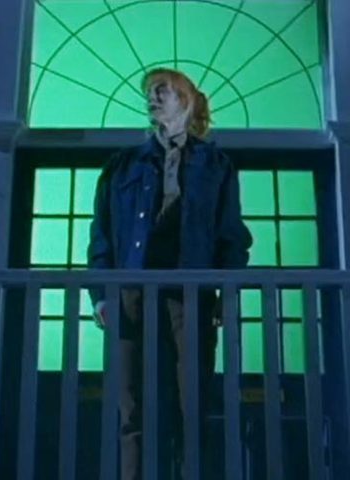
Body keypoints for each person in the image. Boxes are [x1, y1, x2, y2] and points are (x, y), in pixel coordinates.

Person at [87, 68, 252, 480]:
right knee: (133, 407)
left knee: (190, 405)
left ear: (186, 99)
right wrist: (101, 295)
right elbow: (102, 235)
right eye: (149, 91)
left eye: (163, 90)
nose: (153, 97)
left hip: (190, 296)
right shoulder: (122, 166)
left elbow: (231, 236)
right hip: (131, 295)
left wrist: (226, 295)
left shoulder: (215, 164)